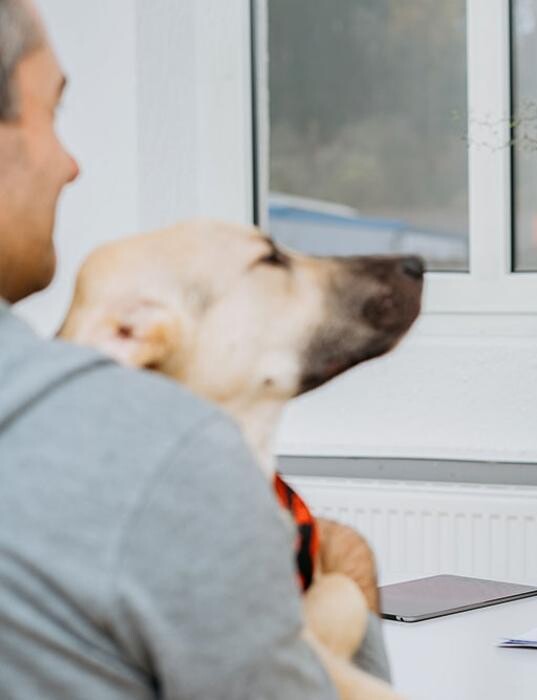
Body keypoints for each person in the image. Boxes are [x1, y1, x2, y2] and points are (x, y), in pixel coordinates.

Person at [0, 1, 388, 696]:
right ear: (130, 336)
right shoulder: (156, 454)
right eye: (49, 114)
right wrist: (350, 595)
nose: (70, 165)